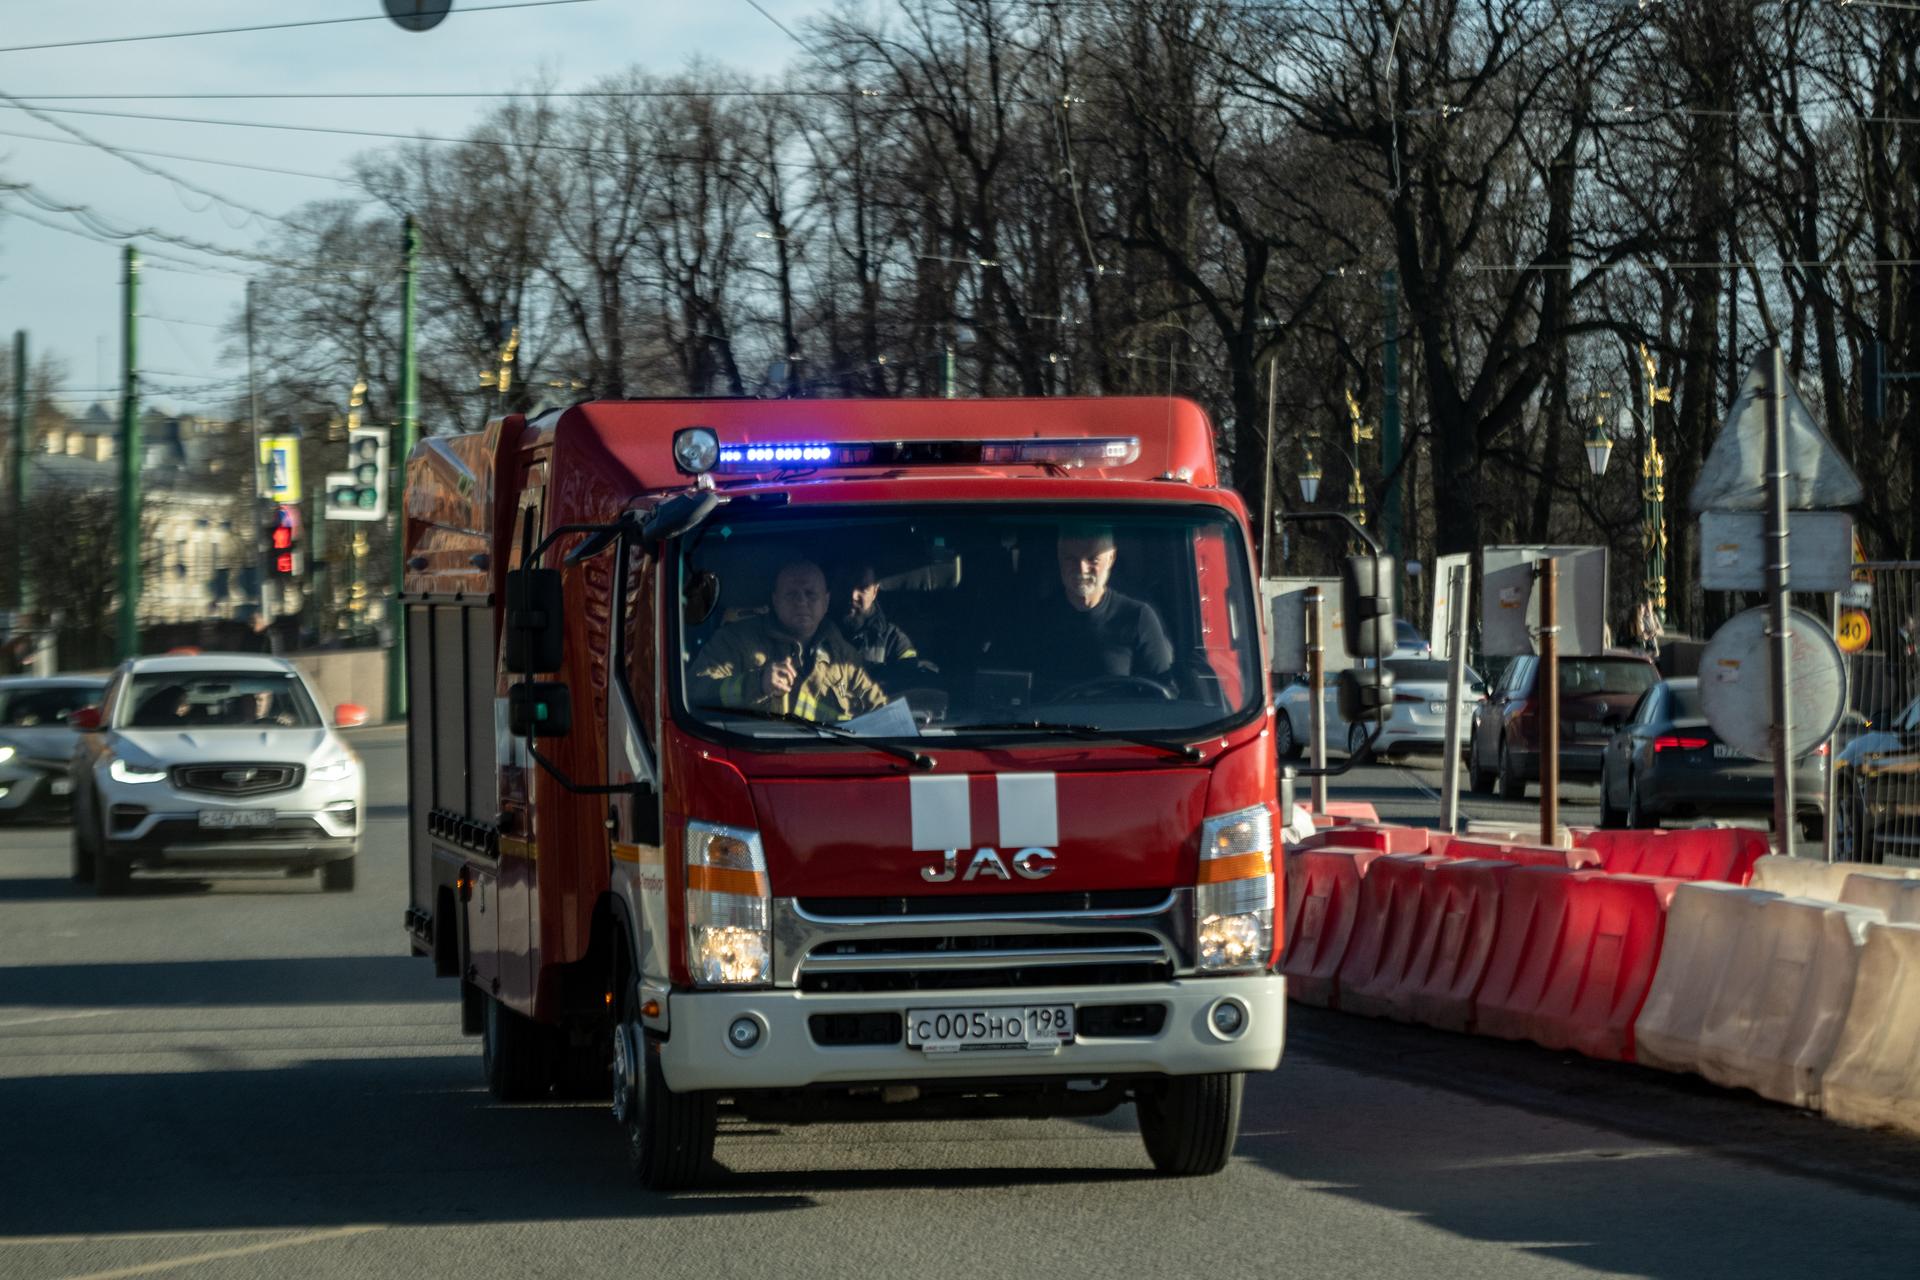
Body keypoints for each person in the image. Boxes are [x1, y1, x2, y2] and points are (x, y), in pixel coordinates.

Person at [690, 559, 888, 722]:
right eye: (791, 594)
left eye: (810, 594)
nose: (801, 601)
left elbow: (881, 712)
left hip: (832, 759)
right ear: (775, 600)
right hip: (757, 758)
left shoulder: (844, 657)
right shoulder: (734, 641)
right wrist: (757, 684)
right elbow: (694, 690)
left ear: (826, 601)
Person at [1021, 524, 1174, 694]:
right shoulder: (1035, 619)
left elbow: (1163, 696)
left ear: (1111, 558)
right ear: (1059, 557)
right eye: (1070, 559)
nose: (1082, 569)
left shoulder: (1138, 617)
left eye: (1093, 559)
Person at [837, 562, 927, 673]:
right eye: (848, 585)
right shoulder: (823, 631)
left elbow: (909, 678)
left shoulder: (894, 640)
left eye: (862, 588)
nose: (853, 595)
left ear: (875, 592)